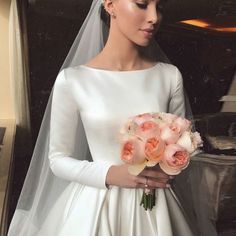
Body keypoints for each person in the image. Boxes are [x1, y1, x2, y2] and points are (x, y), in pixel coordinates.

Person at [8, 0, 197, 235]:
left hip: (157, 209)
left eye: (159, 7)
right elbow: (57, 159)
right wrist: (110, 174)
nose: (154, 17)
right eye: (141, 4)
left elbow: (181, 150)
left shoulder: (169, 76)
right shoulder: (73, 81)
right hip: (97, 207)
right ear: (110, 5)